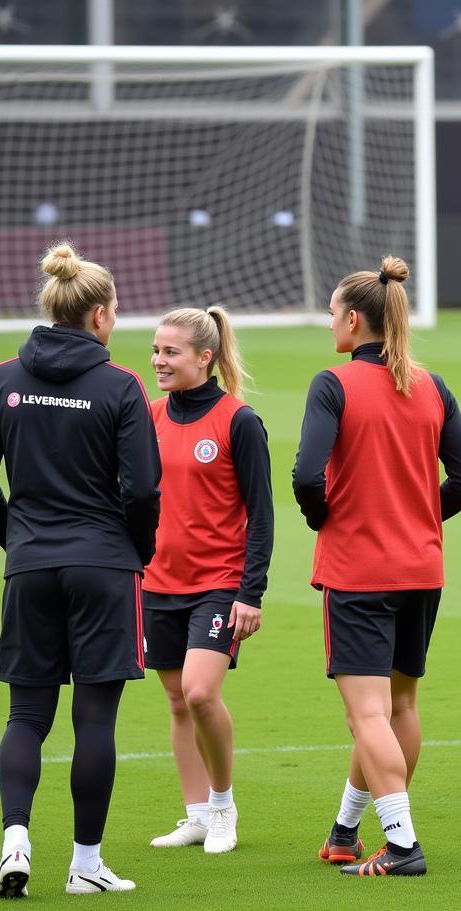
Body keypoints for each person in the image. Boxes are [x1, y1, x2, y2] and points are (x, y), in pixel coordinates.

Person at [0, 241, 161, 897]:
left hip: (31, 565)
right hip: (105, 565)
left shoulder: (2, 377)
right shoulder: (122, 384)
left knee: (26, 716)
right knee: (94, 721)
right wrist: (137, 551)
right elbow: (142, 490)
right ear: (99, 314)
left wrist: (14, 538)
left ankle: (15, 840)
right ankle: (84, 865)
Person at [293, 255, 461, 877]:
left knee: (366, 714)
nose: (329, 327)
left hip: (359, 571)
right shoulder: (430, 385)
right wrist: (418, 519)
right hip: (421, 570)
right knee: (399, 707)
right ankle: (345, 831)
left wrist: (327, 519)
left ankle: (402, 845)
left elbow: (304, 475)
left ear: (353, 319)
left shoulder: (334, 383)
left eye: (331, 316)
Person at [144, 307, 273, 854]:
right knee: (176, 700)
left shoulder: (237, 420)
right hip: (156, 581)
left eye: (170, 352)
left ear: (205, 357)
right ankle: (195, 814)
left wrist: (251, 592)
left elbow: (262, 514)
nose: (158, 361)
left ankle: (223, 807)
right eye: (155, 350)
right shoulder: (147, 415)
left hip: (218, 582)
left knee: (200, 692)